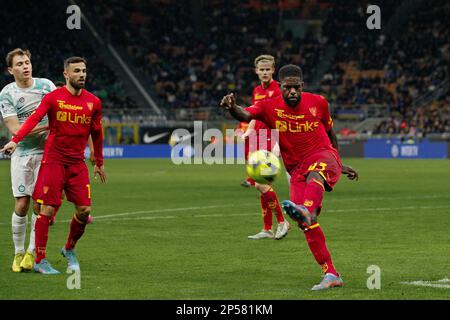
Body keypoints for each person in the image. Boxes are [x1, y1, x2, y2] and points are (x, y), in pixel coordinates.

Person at [220, 64, 359, 290]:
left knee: (314, 178)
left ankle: (306, 207)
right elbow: (245, 114)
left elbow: (330, 131)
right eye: (287, 88)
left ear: (302, 86)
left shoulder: (319, 103)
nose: (292, 92)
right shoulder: (268, 106)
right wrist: (232, 107)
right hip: (296, 169)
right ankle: (331, 274)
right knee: (307, 223)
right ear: (281, 87)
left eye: (296, 88)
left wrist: (338, 162)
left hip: (323, 155)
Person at [1, 56, 106, 274]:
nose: (82, 75)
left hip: (77, 163)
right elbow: (32, 120)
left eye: (84, 71)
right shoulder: (53, 98)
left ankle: (69, 248)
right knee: (44, 209)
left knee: (84, 211)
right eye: (77, 71)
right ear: (66, 74)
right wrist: (15, 140)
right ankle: (38, 258)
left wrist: (99, 161)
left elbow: (96, 132)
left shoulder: (93, 102)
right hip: (54, 160)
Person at [0, 48, 55, 272]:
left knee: (40, 204)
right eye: (20, 63)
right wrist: (48, 126)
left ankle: (31, 252)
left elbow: (59, 113)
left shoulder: (46, 86)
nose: (25, 66)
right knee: (22, 203)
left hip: (46, 153)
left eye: (27, 62)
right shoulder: (7, 93)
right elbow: (15, 129)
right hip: (21, 153)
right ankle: (17, 253)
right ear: (10, 69)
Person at [238, 55, 289, 240]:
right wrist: (248, 131)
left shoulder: (278, 89)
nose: (265, 72)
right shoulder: (257, 90)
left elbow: (281, 117)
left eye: (268, 69)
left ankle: (283, 222)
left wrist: (277, 143)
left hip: (270, 138)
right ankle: (267, 229)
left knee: (261, 184)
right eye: (262, 69)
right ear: (256, 71)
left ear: (273, 70)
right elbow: (255, 113)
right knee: (262, 186)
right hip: (257, 137)